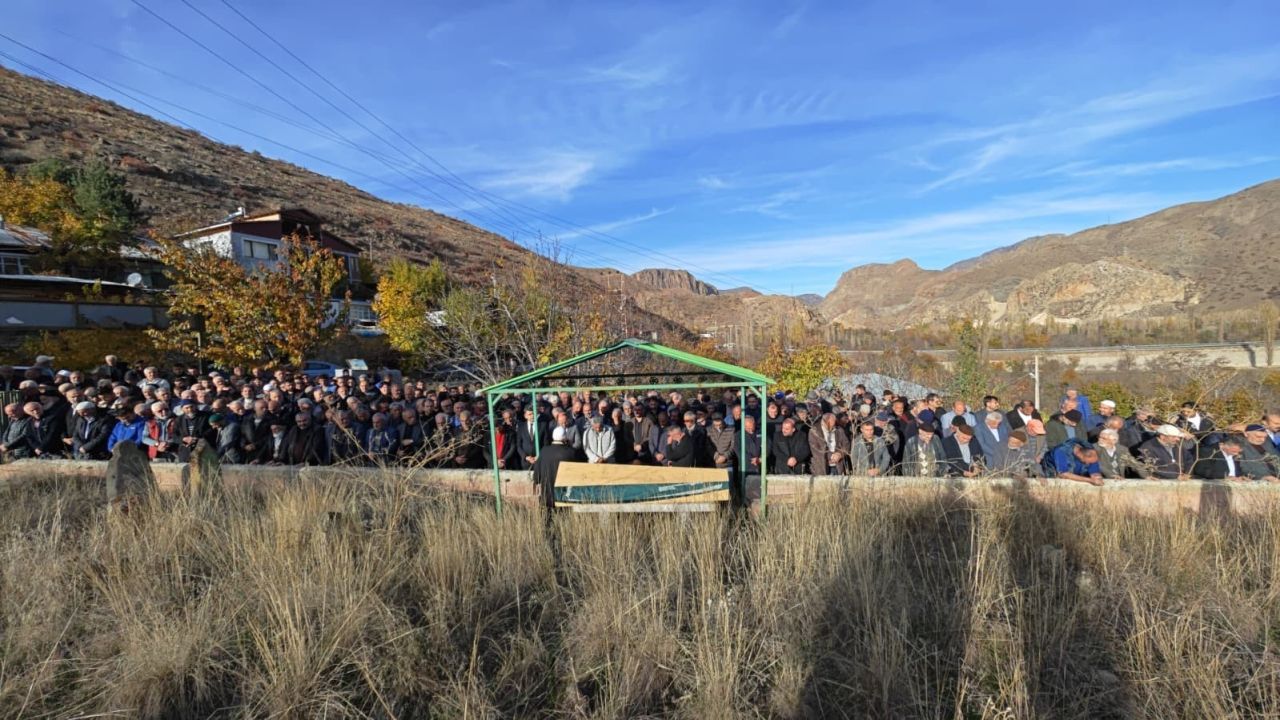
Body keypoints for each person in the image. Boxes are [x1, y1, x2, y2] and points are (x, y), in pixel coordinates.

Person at [532, 426, 578, 510]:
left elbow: (537, 474)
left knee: (547, 518)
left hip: (547, 494)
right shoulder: (570, 452)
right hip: (564, 495)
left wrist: (536, 481)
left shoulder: (544, 451)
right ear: (564, 438)